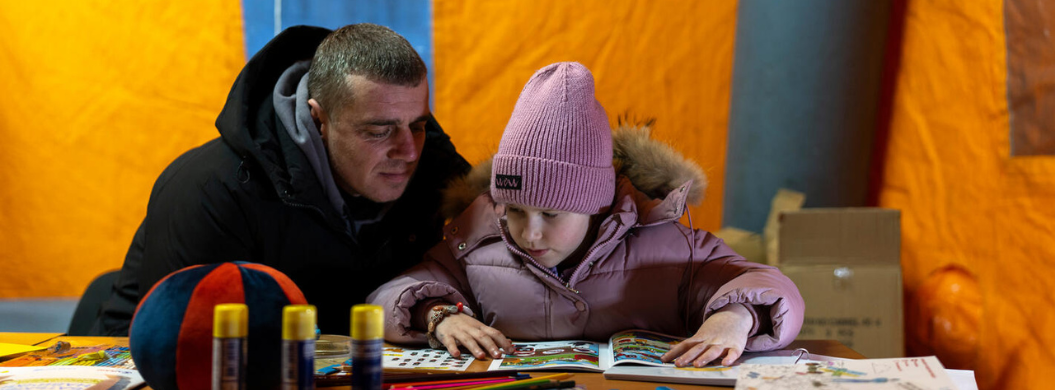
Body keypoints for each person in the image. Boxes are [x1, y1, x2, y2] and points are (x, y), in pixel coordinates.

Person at [368, 62, 804, 367]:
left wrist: (735, 318)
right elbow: (390, 294)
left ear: (596, 203)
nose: (529, 233)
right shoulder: (475, 241)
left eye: (552, 213)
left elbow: (766, 284)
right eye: (515, 209)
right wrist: (438, 314)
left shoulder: (670, 246)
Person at [93, 24, 470, 336]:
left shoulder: (437, 174)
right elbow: (180, 345)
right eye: (377, 131)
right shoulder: (209, 190)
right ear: (319, 119)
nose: (408, 151)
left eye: (418, 125)